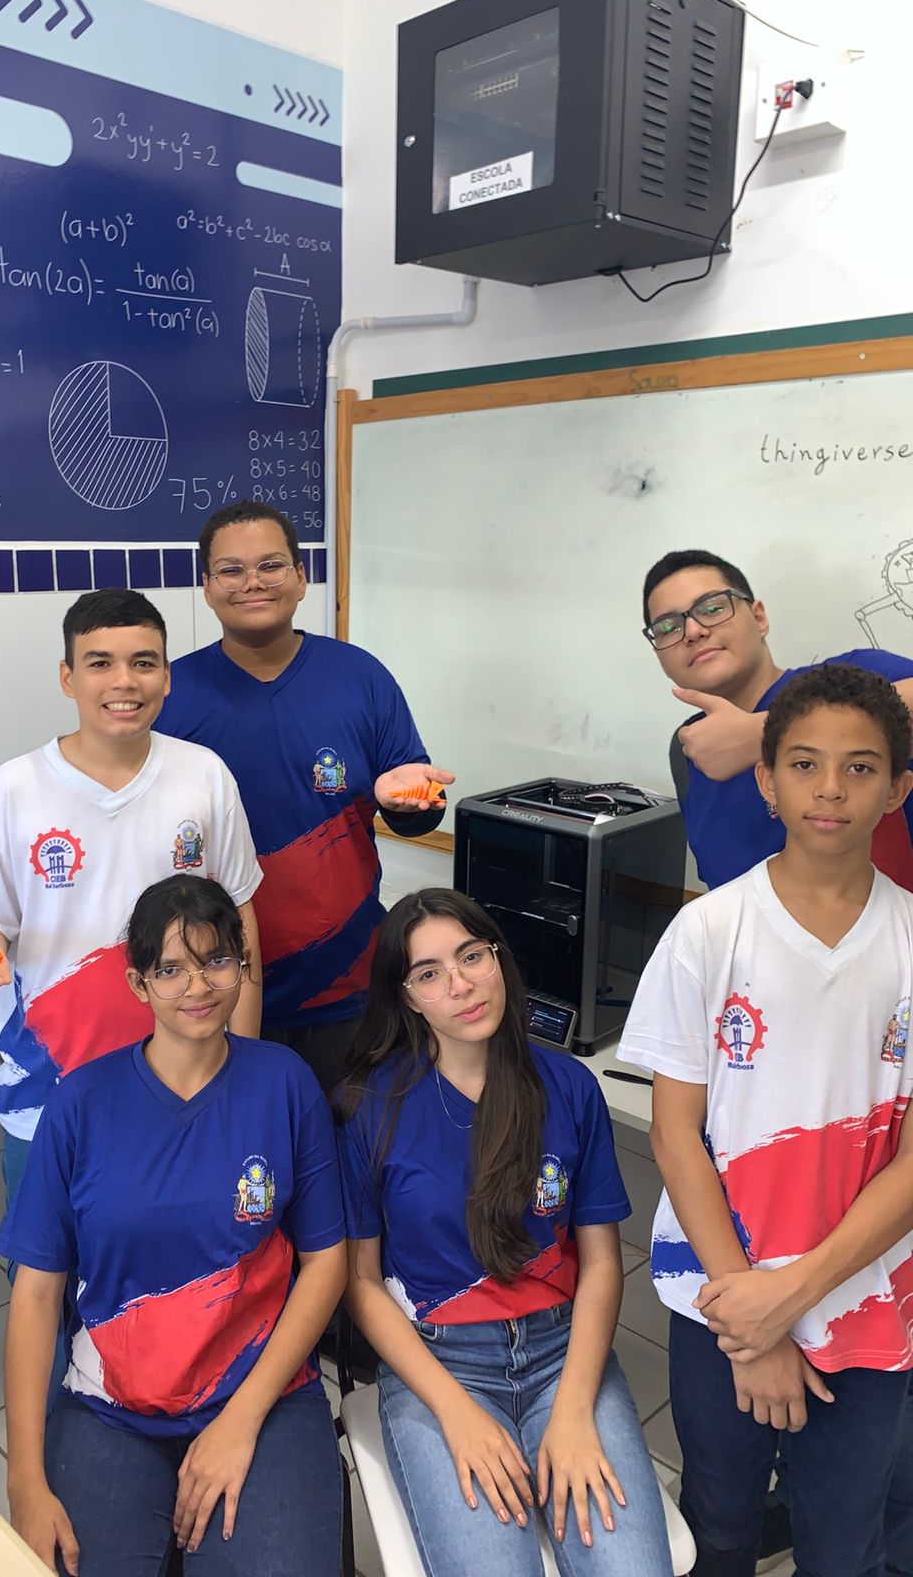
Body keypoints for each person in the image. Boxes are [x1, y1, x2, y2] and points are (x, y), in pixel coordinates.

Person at [643, 549, 913, 1573]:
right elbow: (675, 1130)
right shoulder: (709, 931)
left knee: (846, 1536)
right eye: (802, 765)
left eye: (860, 769)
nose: (830, 789)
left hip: (863, 1291)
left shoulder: (906, 939)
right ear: (767, 782)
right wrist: (751, 1317)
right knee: (719, 1523)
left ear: (898, 787)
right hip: (723, 1295)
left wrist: (793, 1298)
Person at [0, 875, 347, 1576]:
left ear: (243, 965)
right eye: (170, 969)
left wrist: (241, 1420)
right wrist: (24, 1479)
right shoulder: (81, 1103)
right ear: (138, 983)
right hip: (111, 1405)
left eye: (217, 960)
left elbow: (327, 1261)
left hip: (264, 1395)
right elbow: (35, 1293)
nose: (198, 986)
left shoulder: (284, 1083)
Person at [336, 887, 673, 1574]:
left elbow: (601, 1263)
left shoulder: (569, 1086)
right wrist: (456, 1414)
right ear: (407, 997)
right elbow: (360, 1283)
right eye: (430, 973)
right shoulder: (369, 1106)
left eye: (472, 957)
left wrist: (573, 1412)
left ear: (499, 959)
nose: (460, 985)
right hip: (441, 1365)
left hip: (561, 1356)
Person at [0, 587, 263, 1221]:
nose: (124, 681)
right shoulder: (15, 787)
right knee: (45, 1269)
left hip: (187, 1083)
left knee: (172, 1260)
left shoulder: (204, 775)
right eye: (100, 662)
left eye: (144, 662)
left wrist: (244, 1070)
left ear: (167, 676)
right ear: (68, 677)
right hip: (50, 1091)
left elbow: (240, 926)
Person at [154, 500, 454, 1093]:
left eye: (270, 565)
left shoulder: (360, 677)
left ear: (300, 576)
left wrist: (408, 805)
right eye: (231, 570)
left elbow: (415, 802)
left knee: (353, 1139)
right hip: (210, 988)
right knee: (245, 1147)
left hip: (347, 983)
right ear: (207, 587)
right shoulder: (170, 694)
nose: (253, 582)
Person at [642, 548, 913, 890]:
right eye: (668, 627)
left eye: (712, 609)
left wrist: (765, 733)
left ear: (759, 618)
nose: (693, 631)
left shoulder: (854, 677)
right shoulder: (690, 747)